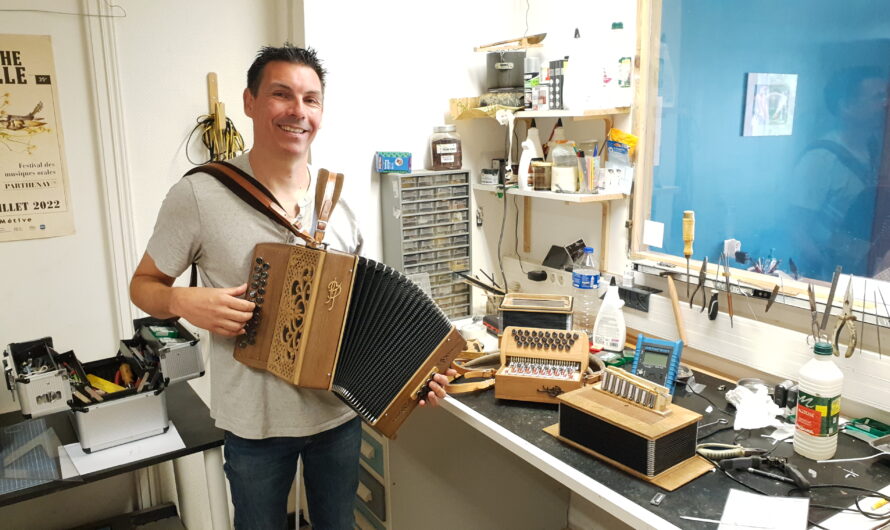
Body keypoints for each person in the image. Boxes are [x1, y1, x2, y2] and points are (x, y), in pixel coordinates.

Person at [130, 44, 455, 529]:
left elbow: (363, 318)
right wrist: (181, 300)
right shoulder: (200, 194)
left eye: (311, 99)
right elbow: (144, 285)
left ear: (321, 111)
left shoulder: (339, 205)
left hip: (338, 418)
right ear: (250, 102)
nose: (297, 111)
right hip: (255, 426)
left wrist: (416, 377)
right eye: (282, 95)